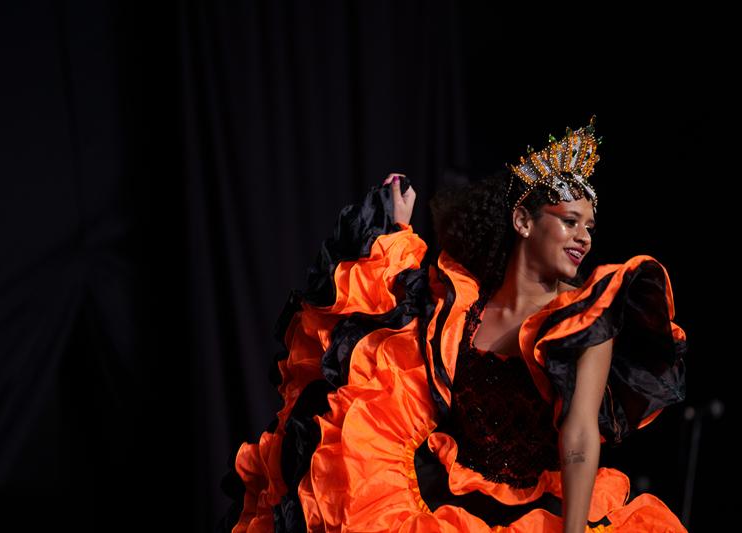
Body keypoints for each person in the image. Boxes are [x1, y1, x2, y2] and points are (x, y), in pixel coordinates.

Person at [219, 115, 688, 532]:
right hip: (445, 500)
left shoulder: (583, 321)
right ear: (523, 221)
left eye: (589, 227)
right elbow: (386, 324)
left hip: (538, 514)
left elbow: (580, 435)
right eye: (570, 221)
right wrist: (395, 228)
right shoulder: (463, 306)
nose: (583, 237)